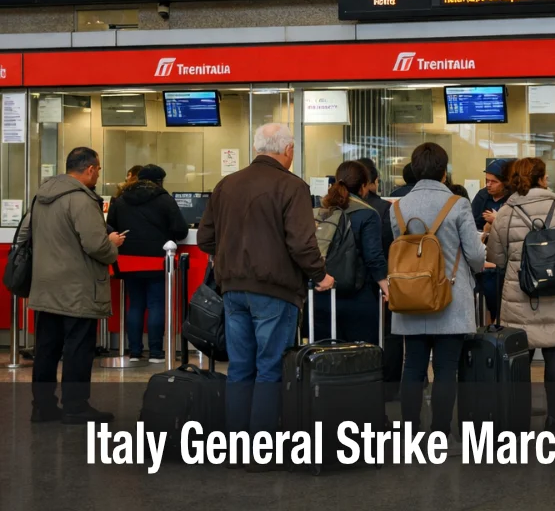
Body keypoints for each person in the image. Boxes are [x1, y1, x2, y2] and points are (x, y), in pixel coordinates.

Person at [198, 123, 334, 452]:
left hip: (232, 290)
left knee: (240, 367)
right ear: (287, 150)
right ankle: (261, 447)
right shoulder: (292, 186)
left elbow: (205, 238)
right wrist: (320, 275)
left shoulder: (226, 184)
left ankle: (234, 446)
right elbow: (302, 244)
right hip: (275, 291)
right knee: (270, 368)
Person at [487, 157, 555, 430]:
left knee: (520, 358)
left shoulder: (506, 212)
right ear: (542, 178)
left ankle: (518, 420)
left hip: (520, 296)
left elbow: (496, 258)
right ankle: (554, 419)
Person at [392, 143, 486, 443]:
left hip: (410, 295)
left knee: (413, 367)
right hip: (451, 297)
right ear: (444, 173)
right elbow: (474, 255)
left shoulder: (396, 207)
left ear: (414, 170)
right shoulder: (457, 205)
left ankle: (410, 433)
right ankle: (441, 433)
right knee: (446, 369)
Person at [27, 147, 125, 424]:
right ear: (91, 169)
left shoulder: (42, 194)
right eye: (98, 170)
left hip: (45, 285)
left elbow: (26, 234)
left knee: (46, 349)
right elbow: (96, 245)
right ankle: (75, 406)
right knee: (78, 349)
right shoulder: (81, 200)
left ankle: (42, 407)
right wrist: (113, 245)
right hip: (78, 288)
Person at [106, 164, 188, 363]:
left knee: (135, 304)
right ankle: (156, 353)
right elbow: (181, 230)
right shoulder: (164, 199)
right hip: (157, 260)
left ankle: (134, 352)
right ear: (159, 181)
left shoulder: (122, 199)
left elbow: (110, 227)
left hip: (128, 260)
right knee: (156, 304)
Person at [313, 161, 388, 346]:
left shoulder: (321, 213)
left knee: (324, 359)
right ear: (364, 187)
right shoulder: (368, 214)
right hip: (358, 299)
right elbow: (373, 257)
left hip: (321, 296)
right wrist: (387, 289)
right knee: (359, 360)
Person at [356, 157, 400, 399]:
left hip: (351, 285)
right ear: (372, 182)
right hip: (383, 280)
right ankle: (390, 388)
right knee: (390, 336)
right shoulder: (385, 208)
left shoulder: (335, 207)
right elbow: (391, 246)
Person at [472, 159, 510, 322]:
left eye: (494, 182)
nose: (488, 185)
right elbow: (472, 223)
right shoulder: (482, 196)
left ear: (505, 183)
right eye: (487, 181)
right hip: (485, 255)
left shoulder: (513, 198)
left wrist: (498, 219)